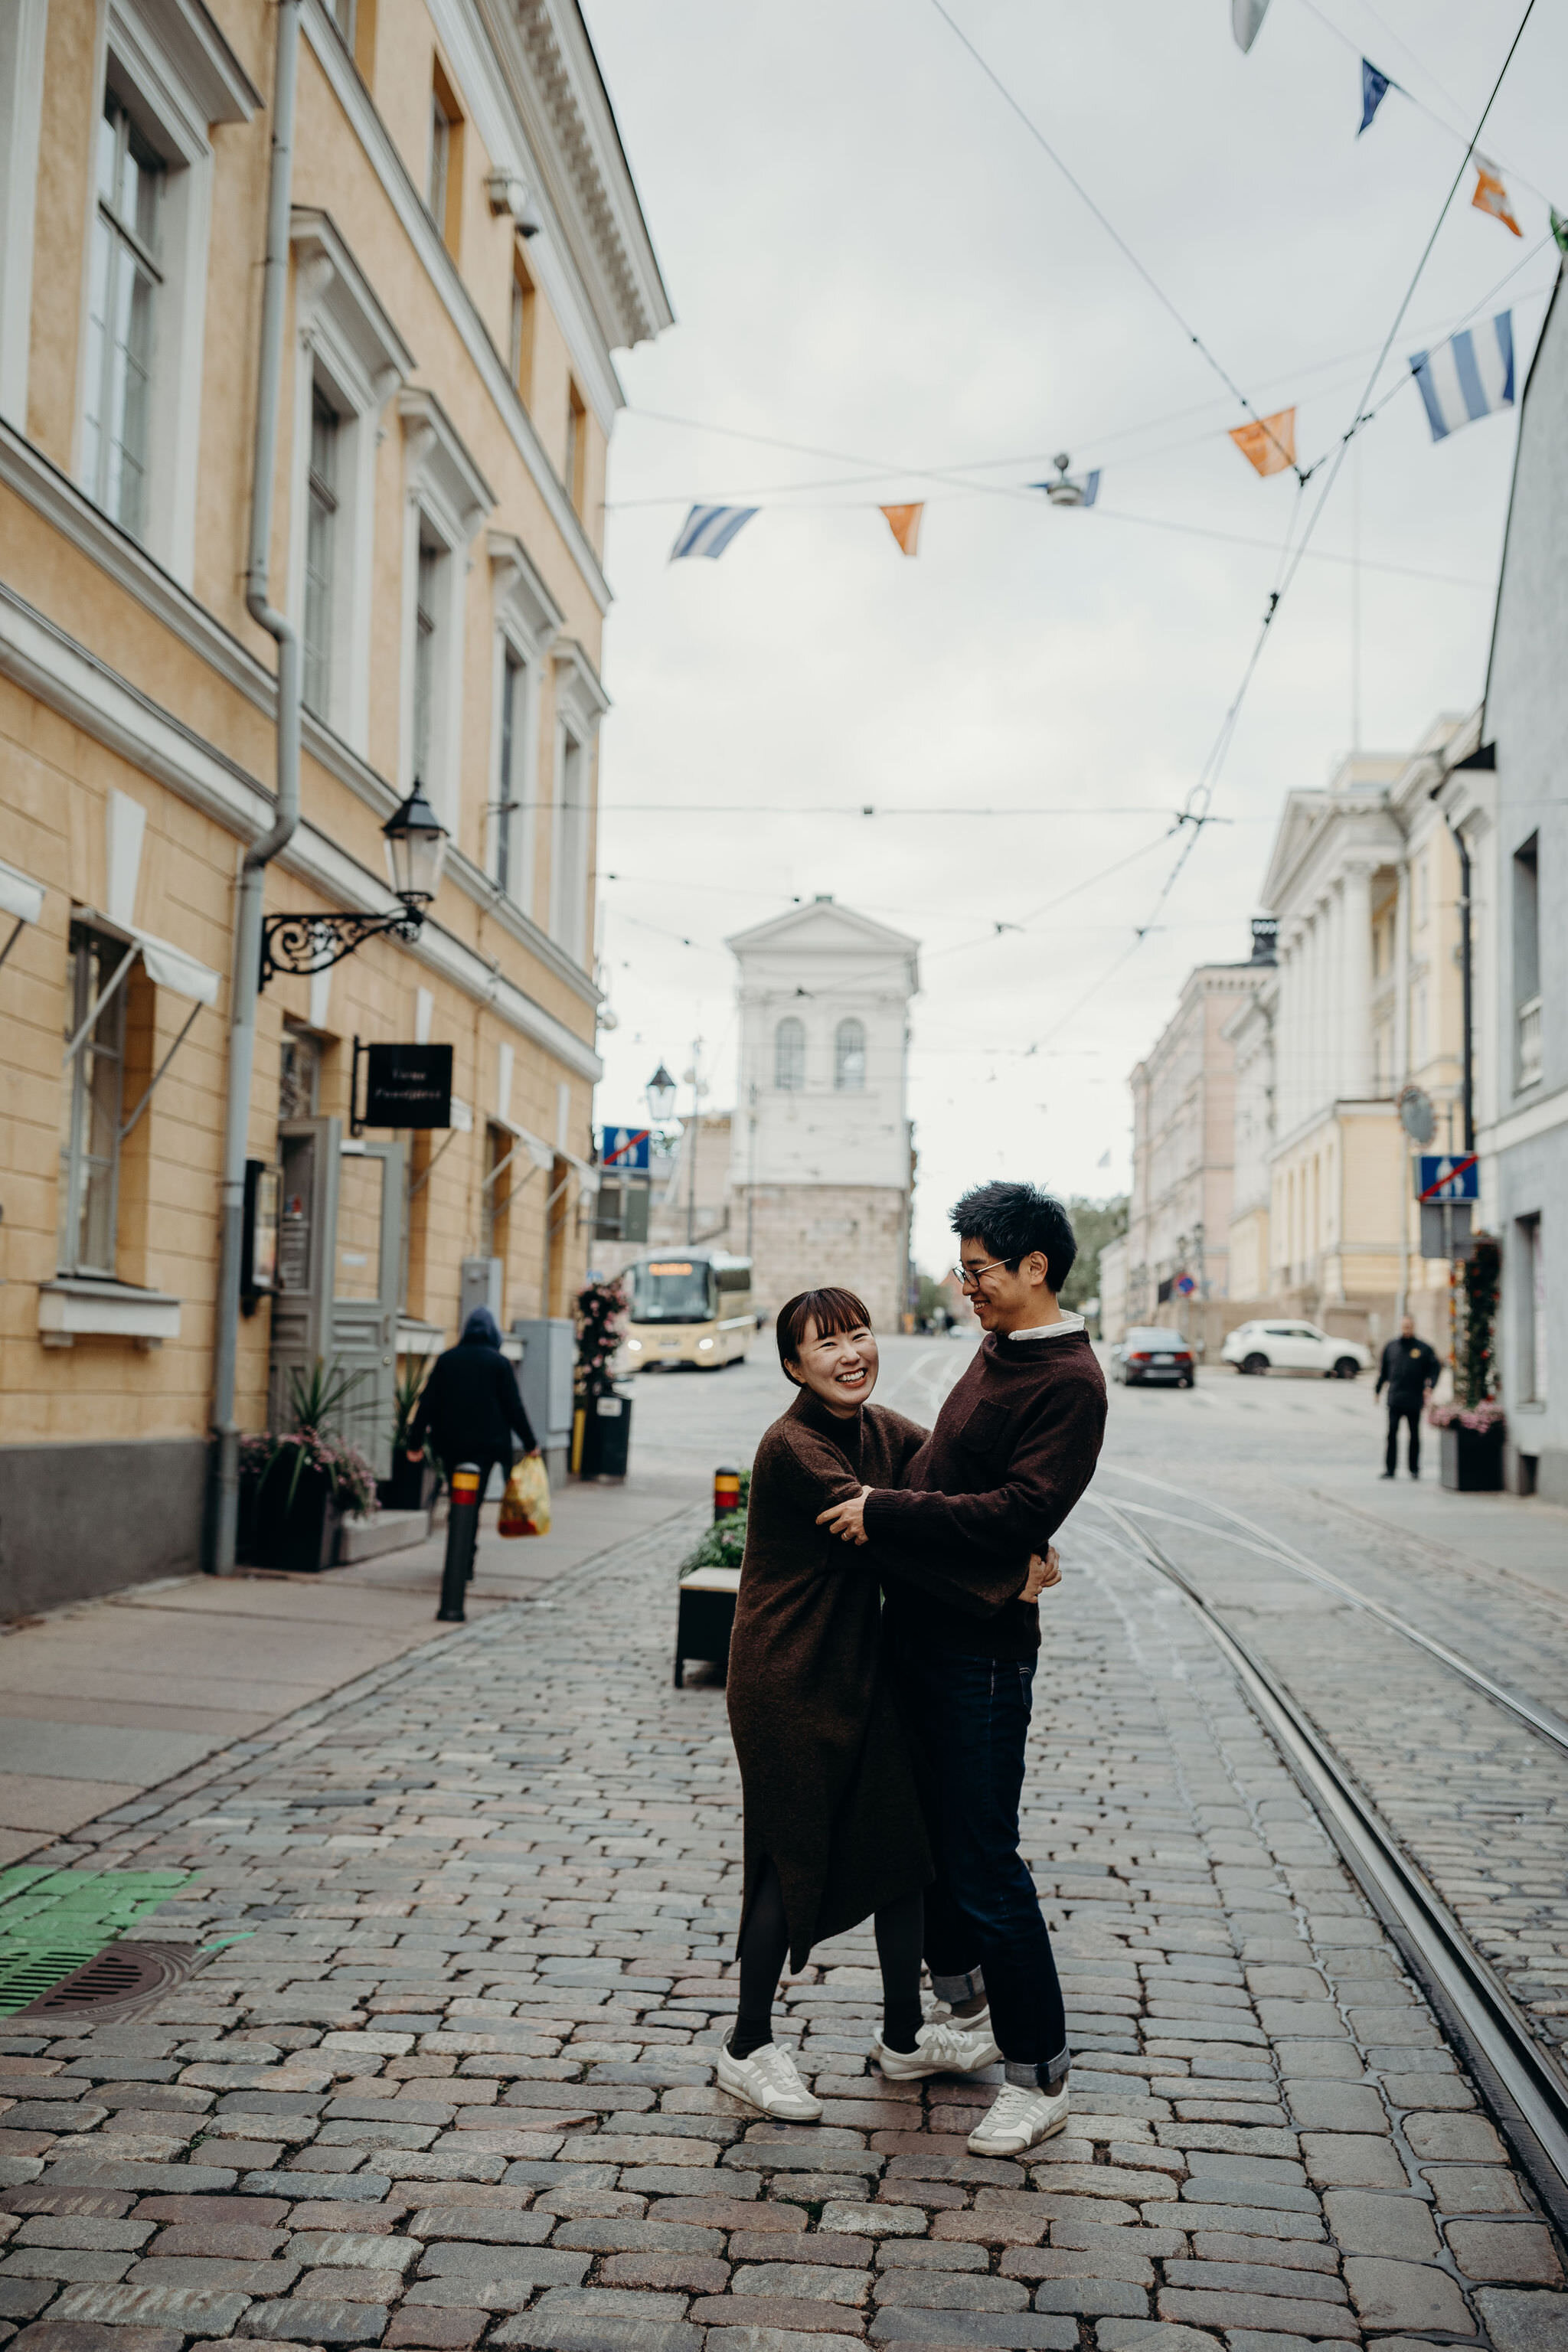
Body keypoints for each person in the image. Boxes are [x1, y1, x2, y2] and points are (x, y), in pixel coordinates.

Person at [818, 1181, 1107, 2158]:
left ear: (1036, 1270)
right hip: (927, 1632)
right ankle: (967, 2015)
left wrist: (886, 1513)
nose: (966, 1286)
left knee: (985, 1865)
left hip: (980, 1655)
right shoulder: (1001, 1347)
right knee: (932, 1848)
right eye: (964, 1268)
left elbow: (1019, 1511)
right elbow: (947, 1460)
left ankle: (1039, 2073)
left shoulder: (1068, 1380)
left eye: (979, 1270)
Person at [720, 1285, 1057, 2121]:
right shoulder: (793, 1447)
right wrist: (1005, 1580)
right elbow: (892, 1543)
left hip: (861, 1669)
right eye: (824, 1345)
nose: (849, 1355)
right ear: (793, 1365)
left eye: (859, 1335)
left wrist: (1029, 1528)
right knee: (788, 1855)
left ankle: (904, 2037)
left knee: (898, 1849)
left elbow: (950, 1484)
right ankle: (746, 2045)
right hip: (787, 1674)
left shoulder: (879, 1430)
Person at [406, 1307, 538, 1527]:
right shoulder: (499, 1363)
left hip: (450, 1443)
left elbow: (427, 1403)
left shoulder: (447, 1360)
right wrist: (530, 1443)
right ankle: (465, 1539)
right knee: (475, 1496)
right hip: (487, 1447)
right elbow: (514, 1408)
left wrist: (414, 1443)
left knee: (456, 1489)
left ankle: (458, 1523)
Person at [1376, 1314, 1441, 1480]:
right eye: (1404, 1326)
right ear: (1400, 1327)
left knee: (1414, 1435)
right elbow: (1383, 1371)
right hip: (1395, 1398)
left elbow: (1435, 1368)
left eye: (1409, 1326)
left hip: (1414, 1398)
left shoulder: (1423, 1348)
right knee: (1392, 1433)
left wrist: (1430, 1386)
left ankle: (1414, 1468)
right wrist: (1377, 1390)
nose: (1407, 1329)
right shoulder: (1391, 1347)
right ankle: (1390, 1469)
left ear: (1414, 1327)